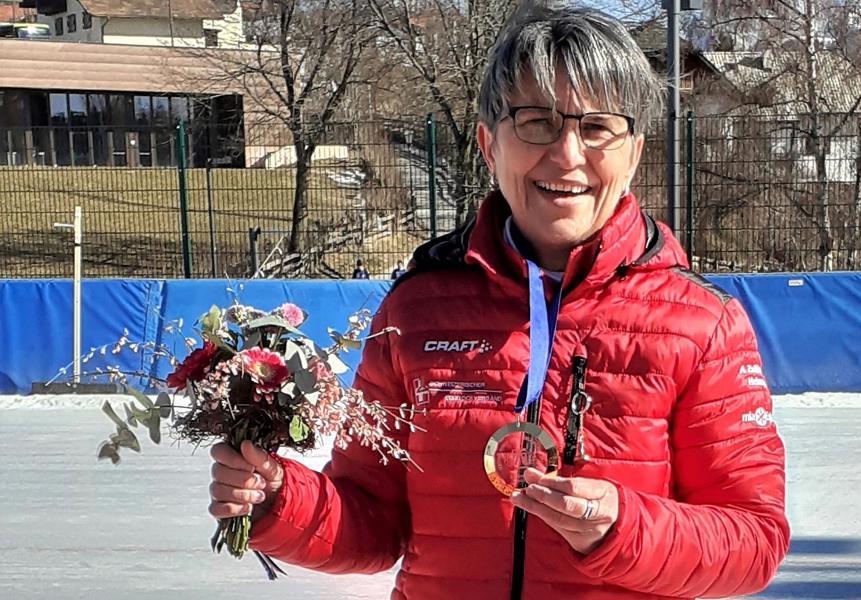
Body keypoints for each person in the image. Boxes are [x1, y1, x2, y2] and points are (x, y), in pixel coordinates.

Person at [207, 5, 789, 599]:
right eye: (537, 121)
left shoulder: (701, 322)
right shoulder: (417, 310)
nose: (567, 154)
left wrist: (625, 526)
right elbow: (374, 523)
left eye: (597, 128)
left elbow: (754, 541)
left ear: (633, 151)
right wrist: (279, 495)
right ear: (489, 144)